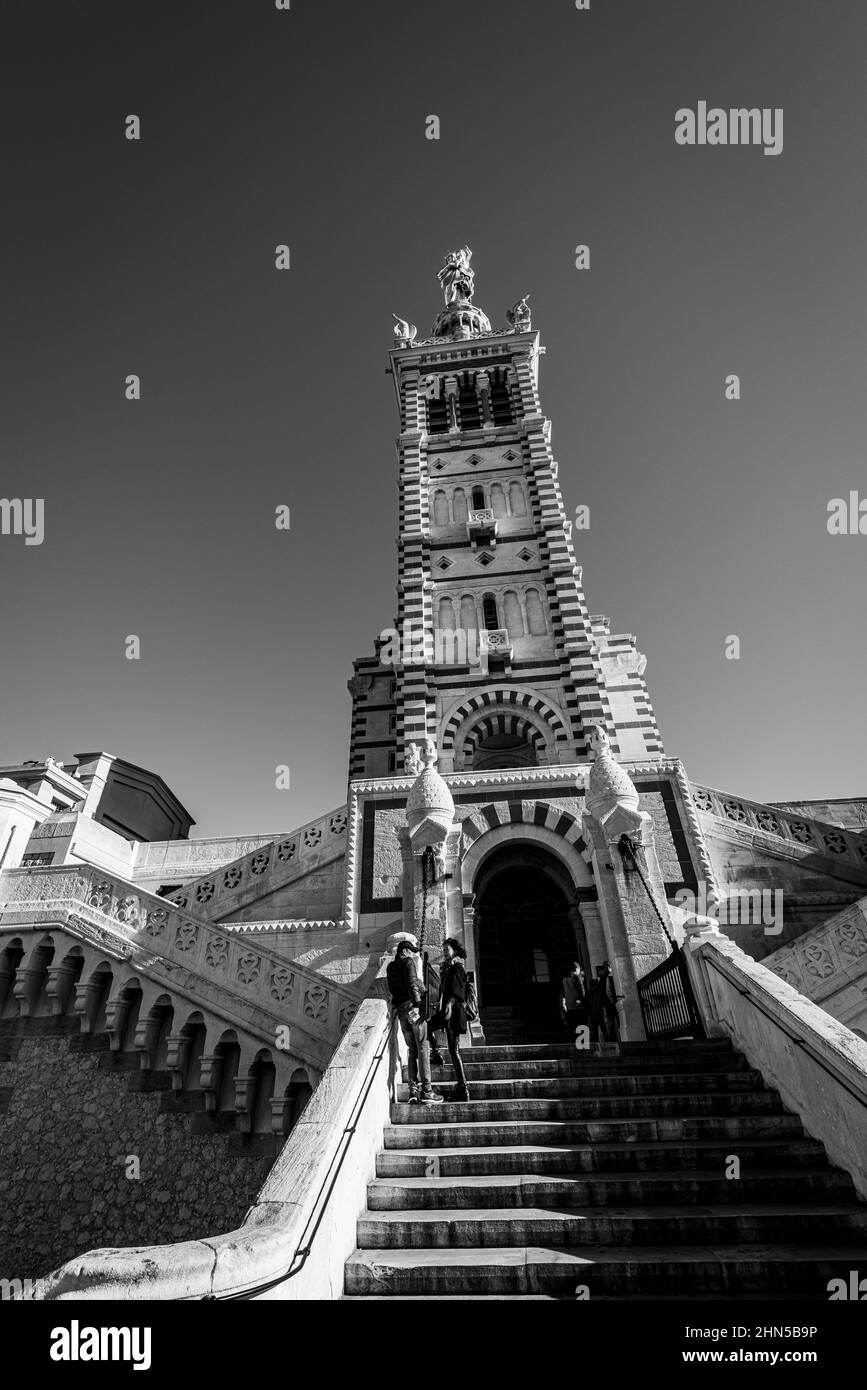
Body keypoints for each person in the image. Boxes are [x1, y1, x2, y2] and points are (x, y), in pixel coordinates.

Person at [385, 939, 443, 1105]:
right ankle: (427, 1091)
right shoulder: (408, 962)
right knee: (423, 1046)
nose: (412, 954)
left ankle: (413, 1090)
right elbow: (411, 982)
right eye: (410, 951)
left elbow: (393, 988)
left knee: (412, 1050)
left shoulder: (390, 967)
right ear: (404, 951)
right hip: (413, 1008)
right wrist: (417, 1005)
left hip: (401, 1011)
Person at [431, 937, 471, 1102]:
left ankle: (463, 1089)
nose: (445, 951)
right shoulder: (447, 968)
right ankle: (437, 1054)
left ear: (454, 950)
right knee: (426, 1027)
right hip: (446, 1010)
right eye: (444, 949)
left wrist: (448, 1003)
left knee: (454, 1051)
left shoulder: (457, 967)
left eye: (447, 949)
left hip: (453, 1012)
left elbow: (457, 990)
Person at [587, 961, 620, 1044]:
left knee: (608, 1023)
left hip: (603, 1005)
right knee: (612, 1022)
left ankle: (610, 1039)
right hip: (609, 1003)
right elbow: (608, 991)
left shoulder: (601, 979)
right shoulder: (608, 976)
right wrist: (612, 1001)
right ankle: (612, 1038)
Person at [560, 961, 587, 1039]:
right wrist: (582, 1001)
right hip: (578, 1006)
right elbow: (582, 991)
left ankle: (575, 1046)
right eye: (579, 969)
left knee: (572, 1028)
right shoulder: (577, 978)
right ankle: (583, 1046)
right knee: (582, 1027)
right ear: (576, 969)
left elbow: (563, 995)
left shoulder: (564, 980)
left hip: (570, 1007)